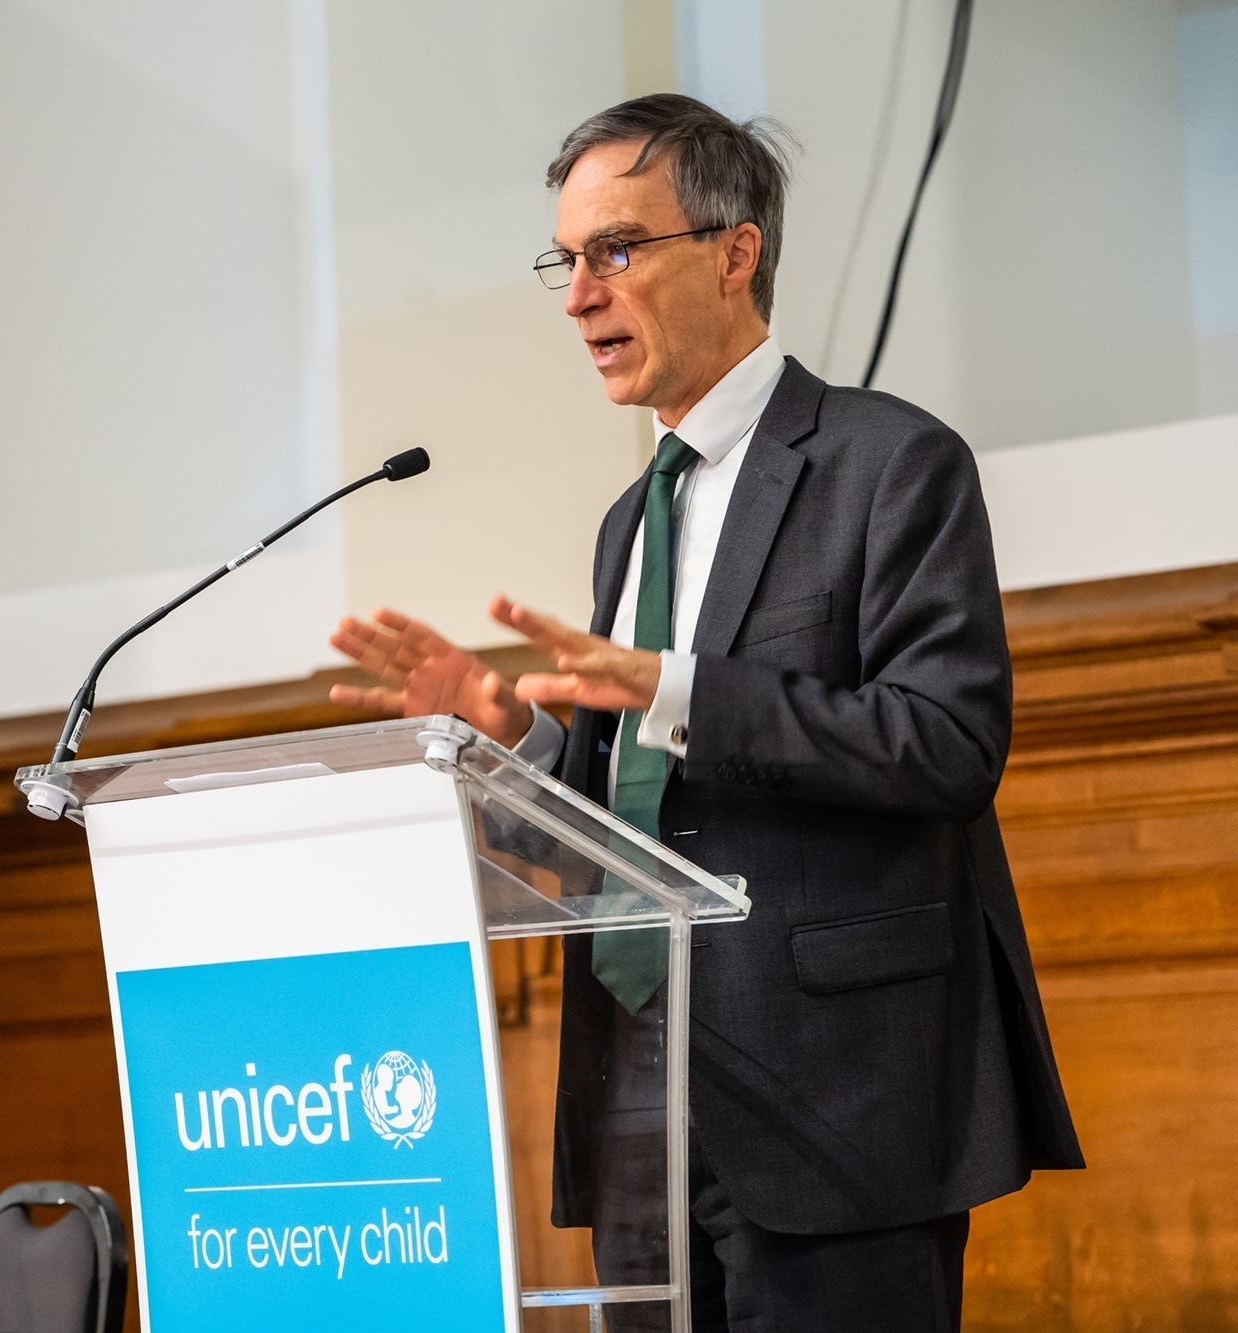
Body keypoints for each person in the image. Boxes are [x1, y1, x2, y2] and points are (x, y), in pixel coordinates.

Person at [329, 93, 1082, 1331]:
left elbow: (945, 744)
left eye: (614, 251)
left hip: (832, 1106)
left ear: (735, 252)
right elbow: (602, 833)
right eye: (563, 262)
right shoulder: (632, 523)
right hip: (639, 1103)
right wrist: (501, 742)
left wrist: (672, 689)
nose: (577, 297)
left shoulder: (888, 465)